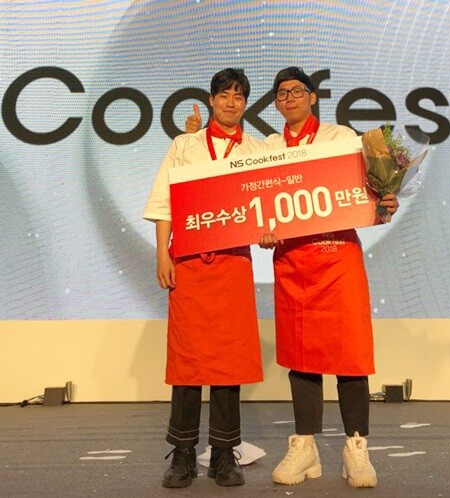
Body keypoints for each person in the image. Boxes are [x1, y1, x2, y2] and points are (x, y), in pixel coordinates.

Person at [184, 67, 399, 489]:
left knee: (351, 354)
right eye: (281, 94)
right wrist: (193, 138)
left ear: (313, 96)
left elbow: (369, 194)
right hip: (293, 264)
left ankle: (357, 448)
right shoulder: (270, 147)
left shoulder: (341, 138)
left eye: (296, 91)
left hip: (339, 259)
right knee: (301, 356)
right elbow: (231, 184)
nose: (289, 99)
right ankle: (305, 447)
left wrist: (386, 201)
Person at [143, 68, 267, 489]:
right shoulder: (185, 144)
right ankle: (181, 454)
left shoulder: (257, 149)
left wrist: (270, 229)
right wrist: (163, 253)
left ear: (245, 103)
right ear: (212, 100)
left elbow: (269, 202)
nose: (231, 102)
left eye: (239, 96)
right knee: (188, 361)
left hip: (233, 264)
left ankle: (223, 454)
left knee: (229, 362)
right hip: (190, 264)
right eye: (224, 95)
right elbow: (165, 202)